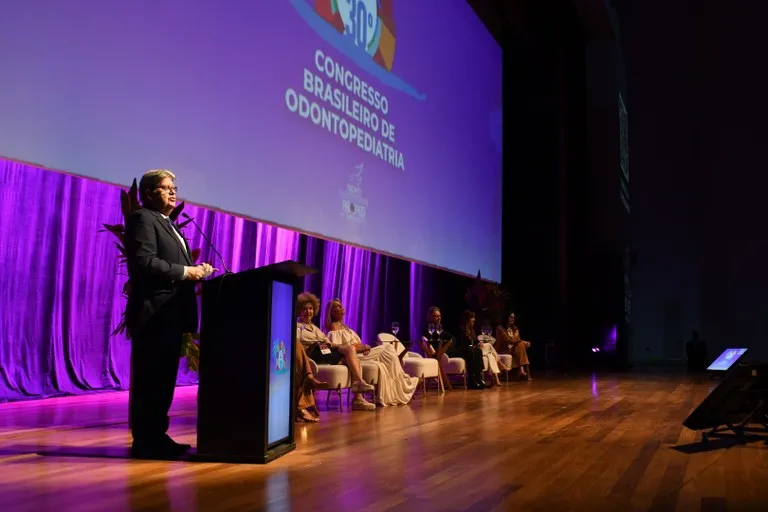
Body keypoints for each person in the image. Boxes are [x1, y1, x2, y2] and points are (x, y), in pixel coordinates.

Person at [124, 169, 215, 458]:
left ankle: (157, 436)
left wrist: (200, 272)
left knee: (163, 380)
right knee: (150, 380)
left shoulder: (167, 222)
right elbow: (144, 264)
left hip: (172, 315)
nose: (173, 192)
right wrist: (188, 271)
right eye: (165, 187)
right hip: (155, 315)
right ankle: (145, 440)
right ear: (149, 193)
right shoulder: (142, 219)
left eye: (173, 187)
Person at [324, 299, 419, 406]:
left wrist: (365, 347)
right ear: (330, 312)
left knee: (387, 354)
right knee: (388, 348)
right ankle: (403, 382)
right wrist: (362, 348)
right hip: (353, 358)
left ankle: (398, 384)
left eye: (341, 305)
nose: (341, 308)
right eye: (337, 306)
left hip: (360, 355)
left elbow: (357, 344)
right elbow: (343, 349)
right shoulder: (333, 330)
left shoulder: (345, 327)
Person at [295, 292, 375, 411]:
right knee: (350, 354)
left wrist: (343, 347)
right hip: (313, 354)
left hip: (326, 351)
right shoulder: (297, 327)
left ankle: (358, 396)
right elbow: (296, 346)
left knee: (351, 352)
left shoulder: (315, 328)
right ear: (299, 311)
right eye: (305, 309)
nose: (308, 312)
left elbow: (329, 343)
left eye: (311, 309)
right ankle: (359, 387)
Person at [453, 310, 488, 389]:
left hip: (469, 349)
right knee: (471, 351)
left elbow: (475, 341)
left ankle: (479, 379)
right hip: (461, 349)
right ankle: (472, 380)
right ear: (467, 320)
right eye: (472, 321)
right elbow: (461, 344)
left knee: (478, 350)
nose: (473, 322)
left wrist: (478, 344)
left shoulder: (472, 330)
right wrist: (472, 345)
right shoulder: (461, 330)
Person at [495, 312, 532, 380]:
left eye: (513, 317)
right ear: (506, 317)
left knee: (520, 345)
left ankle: (522, 370)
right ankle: (523, 371)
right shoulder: (500, 328)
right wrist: (523, 341)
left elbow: (518, 340)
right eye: (511, 317)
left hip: (514, 349)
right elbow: (508, 340)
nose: (513, 319)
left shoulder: (514, 328)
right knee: (521, 345)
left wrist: (521, 341)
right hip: (504, 349)